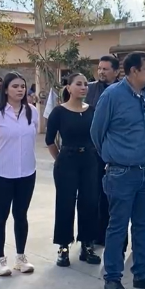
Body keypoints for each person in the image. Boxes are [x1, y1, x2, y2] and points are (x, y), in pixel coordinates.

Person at [91, 51, 145, 289]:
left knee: (142, 224)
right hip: (120, 172)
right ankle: (112, 278)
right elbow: (96, 132)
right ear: (133, 71)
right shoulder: (112, 95)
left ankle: (141, 274)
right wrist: (113, 157)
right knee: (118, 226)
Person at [0, 72, 39, 276]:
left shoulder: (31, 111)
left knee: (21, 215)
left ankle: (21, 257)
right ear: (6, 89)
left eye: (22, 86)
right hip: (0, 172)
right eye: (15, 86)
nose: (20, 90)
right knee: (1, 215)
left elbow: (34, 135)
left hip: (27, 172)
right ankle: (0, 260)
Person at [45, 73, 101, 267]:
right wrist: (60, 159)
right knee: (65, 204)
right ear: (68, 87)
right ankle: (63, 246)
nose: (83, 87)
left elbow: (98, 136)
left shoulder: (92, 111)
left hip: (89, 161)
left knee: (90, 203)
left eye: (85, 84)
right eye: (79, 84)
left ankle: (87, 245)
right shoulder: (59, 112)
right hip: (67, 161)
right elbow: (50, 140)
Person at [87, 55, 121, 246]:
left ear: (116, 72)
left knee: (111, 196)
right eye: (99, 68)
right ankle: (92, 235)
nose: (101, 72)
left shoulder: (123, 91)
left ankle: (109, 235)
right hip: (93, 150)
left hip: (114, 151)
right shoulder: (90, 89)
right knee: (93, 194)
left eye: (105, 69)